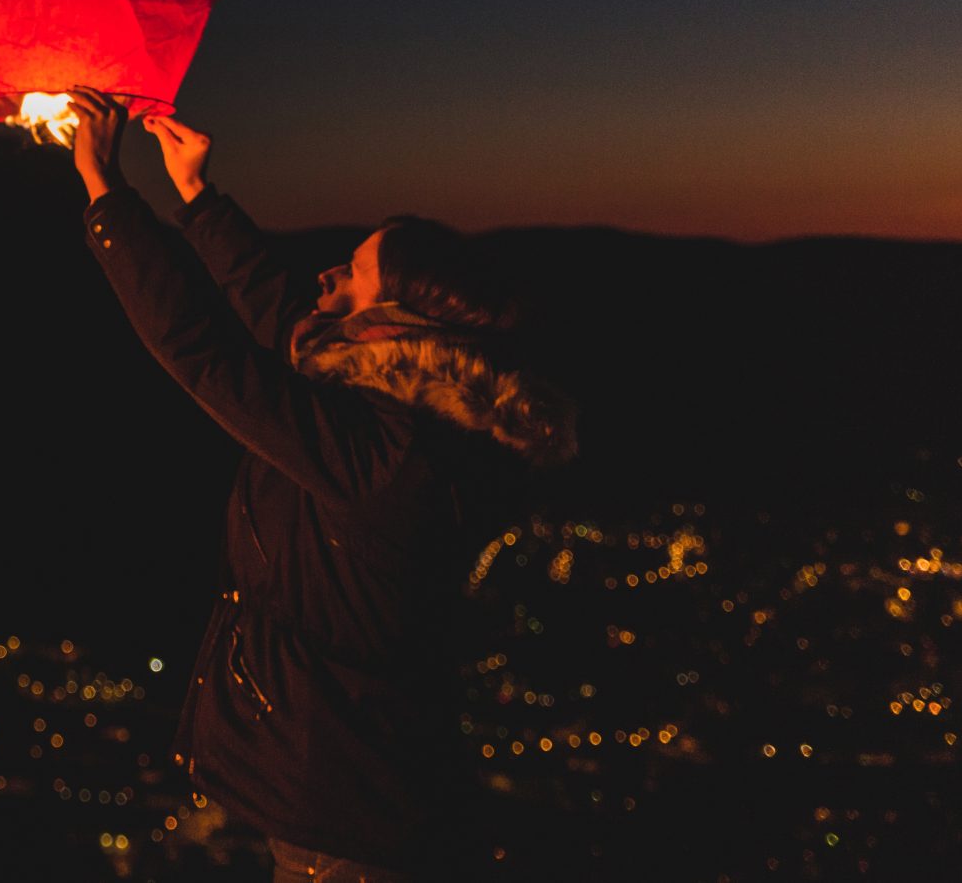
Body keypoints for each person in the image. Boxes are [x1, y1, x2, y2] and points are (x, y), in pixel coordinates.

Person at [61, 89, 577, 883]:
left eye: (357, 271)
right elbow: (281, 321)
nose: (330, 272)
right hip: (349, 805)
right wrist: (196, 193)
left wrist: (106, 189)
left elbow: (204, 355)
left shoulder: (387, 453)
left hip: (350, 833)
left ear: (393, 320)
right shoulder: (391, 400)